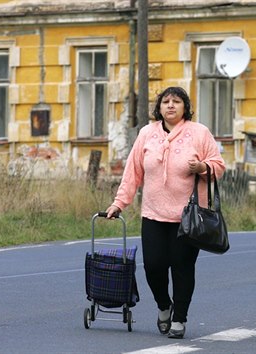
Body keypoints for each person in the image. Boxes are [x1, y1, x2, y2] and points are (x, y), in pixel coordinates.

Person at [105, 86, 225, 339]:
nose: (171, 105)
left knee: (182, 268)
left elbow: (219, 166)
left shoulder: (199, 133)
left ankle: (179, 319)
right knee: (153, 267)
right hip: (153, 214)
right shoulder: (147, 134)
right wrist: (119, 203)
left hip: (188, 218)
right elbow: (133, 172)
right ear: (159, 108)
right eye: (165, 101)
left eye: (176, 101)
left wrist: (203, 166)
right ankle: (163, 306)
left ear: (185, 107)